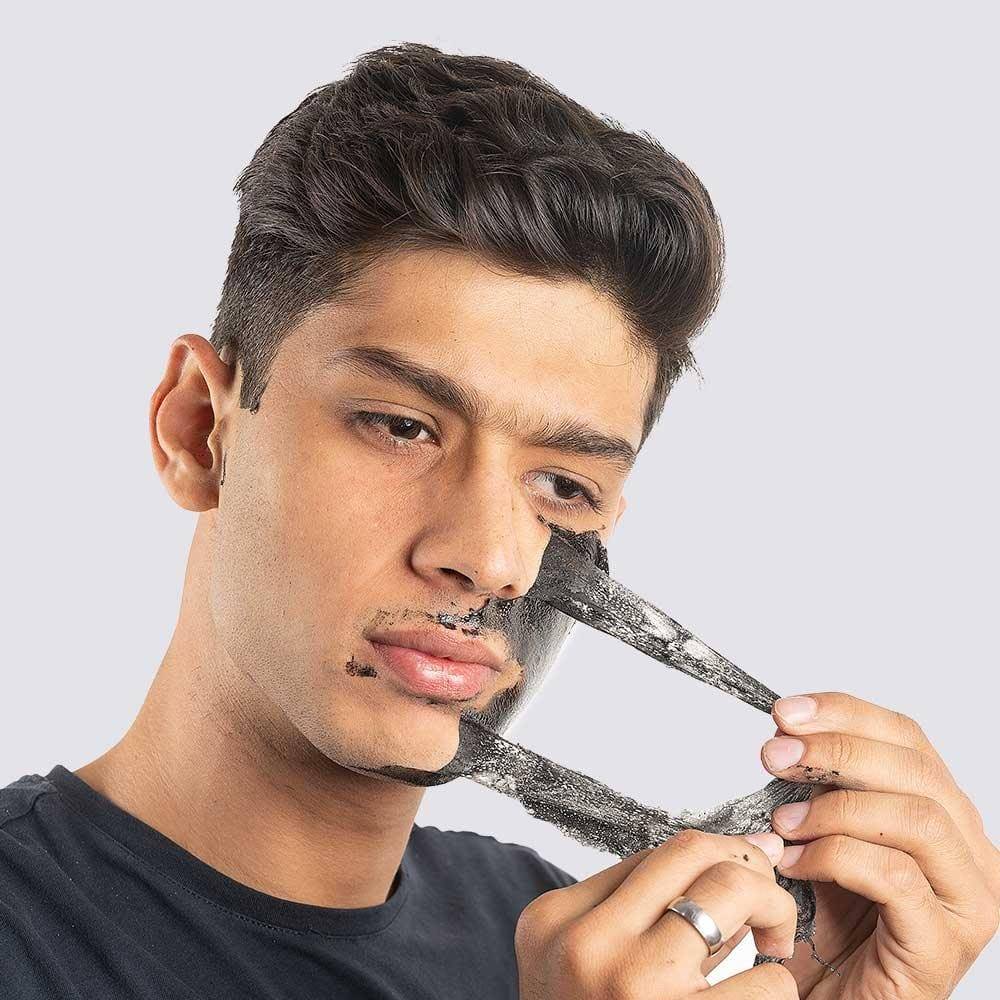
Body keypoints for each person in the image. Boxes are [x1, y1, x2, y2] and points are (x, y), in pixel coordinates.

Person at [1, 41, 996, 1000]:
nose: (491, 559)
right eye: (401, 427)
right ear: (197, 430)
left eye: (563, 485)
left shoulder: (553, 932)